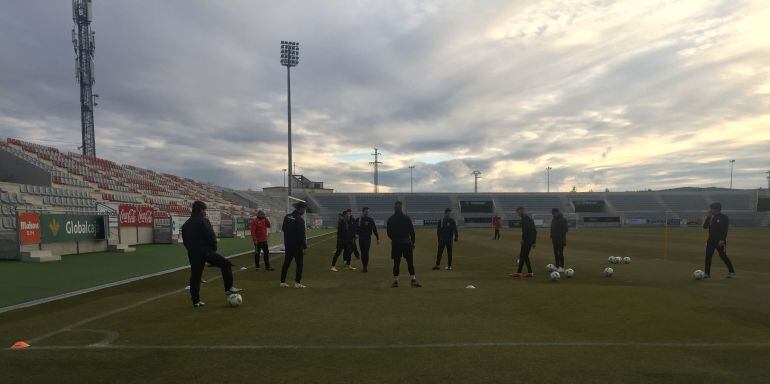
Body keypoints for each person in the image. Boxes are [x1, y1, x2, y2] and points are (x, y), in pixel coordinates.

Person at [181, 201, 241, 308]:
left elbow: (185, 241)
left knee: (195, 276)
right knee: (226, 264)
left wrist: (191, 250)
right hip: (206, 252)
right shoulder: (203, 221)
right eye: (204, 210)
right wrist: (213, 248)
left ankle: (196, 301)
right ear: (201, 210)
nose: (205, 212)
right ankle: (229, 288)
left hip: (193, 254)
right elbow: (210, 235)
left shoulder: (186, 224)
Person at [386, 201, 421, 287]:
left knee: (396, 263)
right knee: (410, 263)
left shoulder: (391, 219)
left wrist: (394, 239)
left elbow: (388, 233)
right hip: (406, 243)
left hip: (396, 244)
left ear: (394, 208)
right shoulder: (406, 218)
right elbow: (412, 232)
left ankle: (395, 281)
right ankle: (413, 280)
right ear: (401, 208)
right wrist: (412, 242)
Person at [703, 202, 736, 279]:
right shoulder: (711, 217)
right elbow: (705, 227)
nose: (710, 210)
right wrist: (708, 217)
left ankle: (732, 272)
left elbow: (725, 230)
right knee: (708, 256)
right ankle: (707, 274)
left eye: (711, 208)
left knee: (723, 256)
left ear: (716, 209)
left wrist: (722, 239)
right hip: (710, 240)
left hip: (719, 241)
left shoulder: (724, 217)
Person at [280, 201, 308, 288]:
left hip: (288, 244)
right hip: (297, 246)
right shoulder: (300, 220)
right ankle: (297, 283)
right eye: (304, 209)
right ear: (301, 209)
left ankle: (282, 282)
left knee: (286, 263)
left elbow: (283, 229)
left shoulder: (287, 217)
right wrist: (305, 247)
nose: (304, 211)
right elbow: (301, 235)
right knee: (299, 264)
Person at [511, 206, 537, 278]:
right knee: (523, 256)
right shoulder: (528, 219)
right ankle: (523, 272)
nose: (518, 214)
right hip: (530, 240)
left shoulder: (525, 219)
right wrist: (534, 242)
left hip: (527, 240)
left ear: (522, 211)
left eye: (518, 212)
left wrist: (523, 239)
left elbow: (526, 231)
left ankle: (527, 272)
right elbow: (535, 231)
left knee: (523, 256)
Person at [357, 207, 380, 273]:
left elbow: (374, 229)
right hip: (361, 238)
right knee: (362, 253)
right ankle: (364, 266)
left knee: (366, 252)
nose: (367, 212)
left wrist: (377, 238)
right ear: (363, 211)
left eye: (368, 211)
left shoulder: (370, 220)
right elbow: (356, 228)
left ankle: (365, 267)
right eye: (366, 211)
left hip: (367, 238)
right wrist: (356, 234)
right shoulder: (359, 219)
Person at [550, 208, 568, 273]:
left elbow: (565, 229)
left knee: (560, 253)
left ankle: (562, 267)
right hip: (554, 240)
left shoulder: (563, 219)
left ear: (557, 212)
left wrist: (559, 235)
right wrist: (551, 235)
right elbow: (552, 228)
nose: (553, 214)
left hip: (561, 240)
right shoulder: (553, 220)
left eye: (554, 213)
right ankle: (557, 266)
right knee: (555, 253)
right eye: (552, 213)